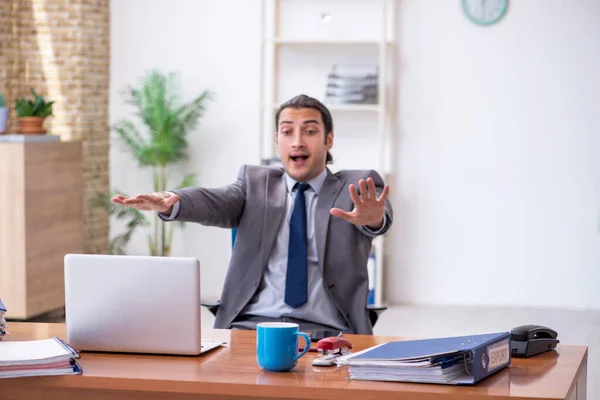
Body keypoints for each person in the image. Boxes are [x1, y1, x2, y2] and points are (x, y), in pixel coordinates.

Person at [112, 94, 393, 334]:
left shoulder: (357, 186)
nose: (297, 142)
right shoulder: (255, 183)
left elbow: (379, 214)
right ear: (277, 140)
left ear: (328, 139)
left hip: (328, 332)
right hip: (251, 327)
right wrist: (174, 202)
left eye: (309, 131)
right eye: (287, 131)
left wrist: (373, 220)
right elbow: (216, 201)